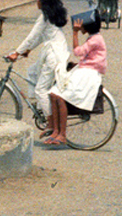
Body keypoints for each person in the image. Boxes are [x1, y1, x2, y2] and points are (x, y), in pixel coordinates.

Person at [6, 0, 69, 120]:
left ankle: (50, 123)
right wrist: (28, 50)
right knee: (32, 71)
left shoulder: (44, 18)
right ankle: (41, 106)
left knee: (40, 91)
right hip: (57, 51)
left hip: (54, 55)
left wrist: (17, 53)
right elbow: (40, 37)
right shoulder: (51, 16)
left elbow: (32, 36)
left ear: (44, 2)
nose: (37, 2)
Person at [46, 14, 108, 146]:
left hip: (88, 74)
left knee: (60, 96)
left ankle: (62, 134)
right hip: (83, 70)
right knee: (53, 93)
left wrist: (75, 33)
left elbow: (78, 51)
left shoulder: (95, 40)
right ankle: (55, 130)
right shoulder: (94, 37)